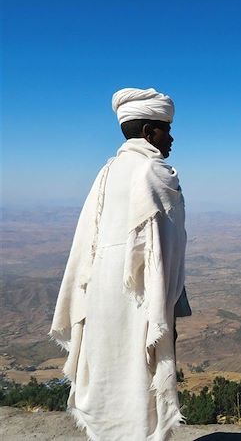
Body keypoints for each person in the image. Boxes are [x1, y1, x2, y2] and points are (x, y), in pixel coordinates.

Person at [50, 87, 191, 441]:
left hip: (102, 294)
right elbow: (164, 250)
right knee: (140, 375)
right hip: (139, 297)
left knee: (109, 370)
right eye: (165, 129)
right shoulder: (153, 172)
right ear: (148, 132)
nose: (170, 137)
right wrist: (167, 304)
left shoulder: (107, 172)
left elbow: (88, 243)